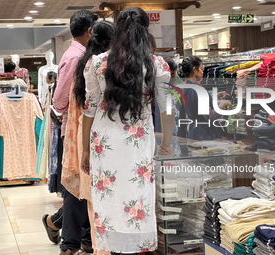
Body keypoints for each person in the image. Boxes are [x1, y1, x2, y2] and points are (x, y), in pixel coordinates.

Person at [81, 7, 175, 254]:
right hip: (138, 143)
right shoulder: (155, 65)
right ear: (146, 30)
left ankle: (114, 248)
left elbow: (89, 111)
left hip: (104, 141)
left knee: (109, 197)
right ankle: (136, 248)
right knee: (137, 195)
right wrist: (166, 142)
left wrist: (84, 151)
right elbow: (167, 108)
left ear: (117, 29)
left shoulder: (97, 63)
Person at [42, 10, 98, 255]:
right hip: (75, 130)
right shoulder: (76, 57)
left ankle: (65, 229)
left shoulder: (82, 54)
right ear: (89, 31)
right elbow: (61, 97)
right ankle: (70, 242)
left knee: (82, 185)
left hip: (83, 128)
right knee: (76, 185)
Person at [64, 20, 115, 255]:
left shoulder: (85, 66)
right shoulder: (108, 66)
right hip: (105, 137)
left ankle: (92, 244)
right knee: (107, 199)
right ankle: (95, 245)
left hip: (85, 136)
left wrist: (80, 145)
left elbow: (79, 110)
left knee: (94, 199)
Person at [177, 56, 232, 140]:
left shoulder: (184, 87)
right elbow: (209, 116)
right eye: (201, 68)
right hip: (204, 133)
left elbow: (194, 103)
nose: (202, 72)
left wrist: (213, 97)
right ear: (194, 70)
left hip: (193, 131)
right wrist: (223, 104)